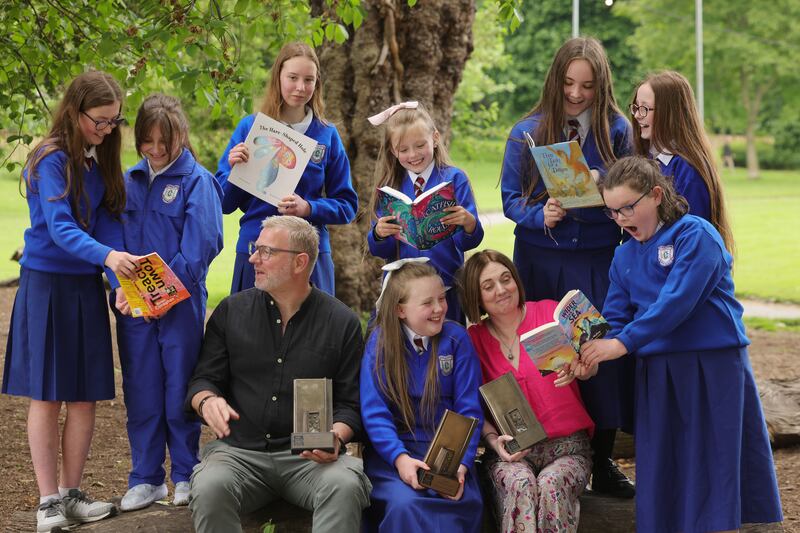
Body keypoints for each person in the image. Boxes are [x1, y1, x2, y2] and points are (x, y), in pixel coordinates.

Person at [580, 156, 783, 533]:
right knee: (666, 468)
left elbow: (676, 303)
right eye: (612, 212)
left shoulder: (696, 234)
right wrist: (593, 355)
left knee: (715, 465)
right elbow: (617, 319)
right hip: (657, 373)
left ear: (656, 195)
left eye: (628, 207)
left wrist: (620, 344)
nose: (622, 218)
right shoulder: (623, 255)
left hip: (712, 365)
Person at [1, 71, 140, 532]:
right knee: (48, 393)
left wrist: (115, 278)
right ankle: (47, 504)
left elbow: (107, 222)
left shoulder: (97, 158)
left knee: (84, 396)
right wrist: (109, 257)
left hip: (84, 285)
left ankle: (71, 494)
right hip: (46, 284)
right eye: (99, 121)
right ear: (75, 111)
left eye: (113, 122)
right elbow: (60, 229)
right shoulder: (49, 158)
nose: (106, 130)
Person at [499, 36, 634, 497]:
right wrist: (541, 216)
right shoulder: (527, 131)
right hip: (540, 259)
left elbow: (632, 190)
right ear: (555, 80)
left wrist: (603, 184)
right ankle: (543, 454)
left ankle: (602, 461)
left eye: (588, 86)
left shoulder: (617, 130)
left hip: (598, 260)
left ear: (602, 86)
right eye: (569, 83)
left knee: (598, 355)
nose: (576, 94)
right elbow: (509, 200)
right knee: (543, 355)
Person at [185, 216, 371, 533]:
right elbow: (203, 380)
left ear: (300, 262)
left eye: (266, 252)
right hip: (239, 456)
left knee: (346, 484)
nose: (254, 258)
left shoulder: (342, 322)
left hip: (310, 461)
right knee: (208, 486)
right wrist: (206, 402)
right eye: (255, 249)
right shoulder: (231, 311)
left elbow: (351, 404)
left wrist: (335, 438)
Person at [112, 94, 224, 511]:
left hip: (180, 306)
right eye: (148, 140)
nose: (157, 150)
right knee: (140, 387)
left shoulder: (198, 181)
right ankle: (145, 478)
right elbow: (112, 245)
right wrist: (124, 290)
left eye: (166, 141)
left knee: (180, 387)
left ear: (182, 137)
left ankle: (184, 472)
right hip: (134, 308)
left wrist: (160, 293)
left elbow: (203, 244)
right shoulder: (126, 181)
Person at [460, 250, 596, 532]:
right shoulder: (473, 340)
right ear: (477, 296)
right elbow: (468, 404)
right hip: (511, 452)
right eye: (488, 286)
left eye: (506, 279)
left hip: (567, 448)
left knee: (550, 484)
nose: (501, 290)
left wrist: (584, 368)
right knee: (520, 484)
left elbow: (591, 363)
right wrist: (493, 440)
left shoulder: (548, 312)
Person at [215, 41, 357, 296]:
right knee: (252, 332)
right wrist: (234, 170)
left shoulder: (326, 134)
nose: (301, 87)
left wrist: (310, 208)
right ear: (278, 76)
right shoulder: (250, 128)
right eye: (292, 77)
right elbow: (224, 204)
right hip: (256, 249)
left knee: (312, 334)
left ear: (317, 83)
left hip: (309, 252)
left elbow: (347, 206)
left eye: (309, 80)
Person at [360, 258, 484, 532]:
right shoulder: (381, 343)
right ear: (400, 310)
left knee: (454, 508)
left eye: (442, 298)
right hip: (393, 456)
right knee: (405, 505)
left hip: (450, 454)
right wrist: (400, 458)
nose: (439, 308)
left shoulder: (456, 339)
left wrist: (461, 465)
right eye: (428, 303)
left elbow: (468, 408)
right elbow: (375, 412)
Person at [366, 102, 483, 323]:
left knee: (447, 348)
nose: (413, 154)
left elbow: (468, 242)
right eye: (404, 149)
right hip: (403, 291)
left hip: (446, 285)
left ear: (435, 138)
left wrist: (468, 224)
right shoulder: (390, 186)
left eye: (420, 145)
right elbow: (382, 249)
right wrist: (380, 234)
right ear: (393, 150)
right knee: (401, 350)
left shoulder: (454, 179)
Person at [630, 70, 735, 254]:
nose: (638, 115)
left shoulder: (688, 171)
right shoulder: (646, 161)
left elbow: (695, 246)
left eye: (645, 108)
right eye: (636, 107)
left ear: (670, 113)